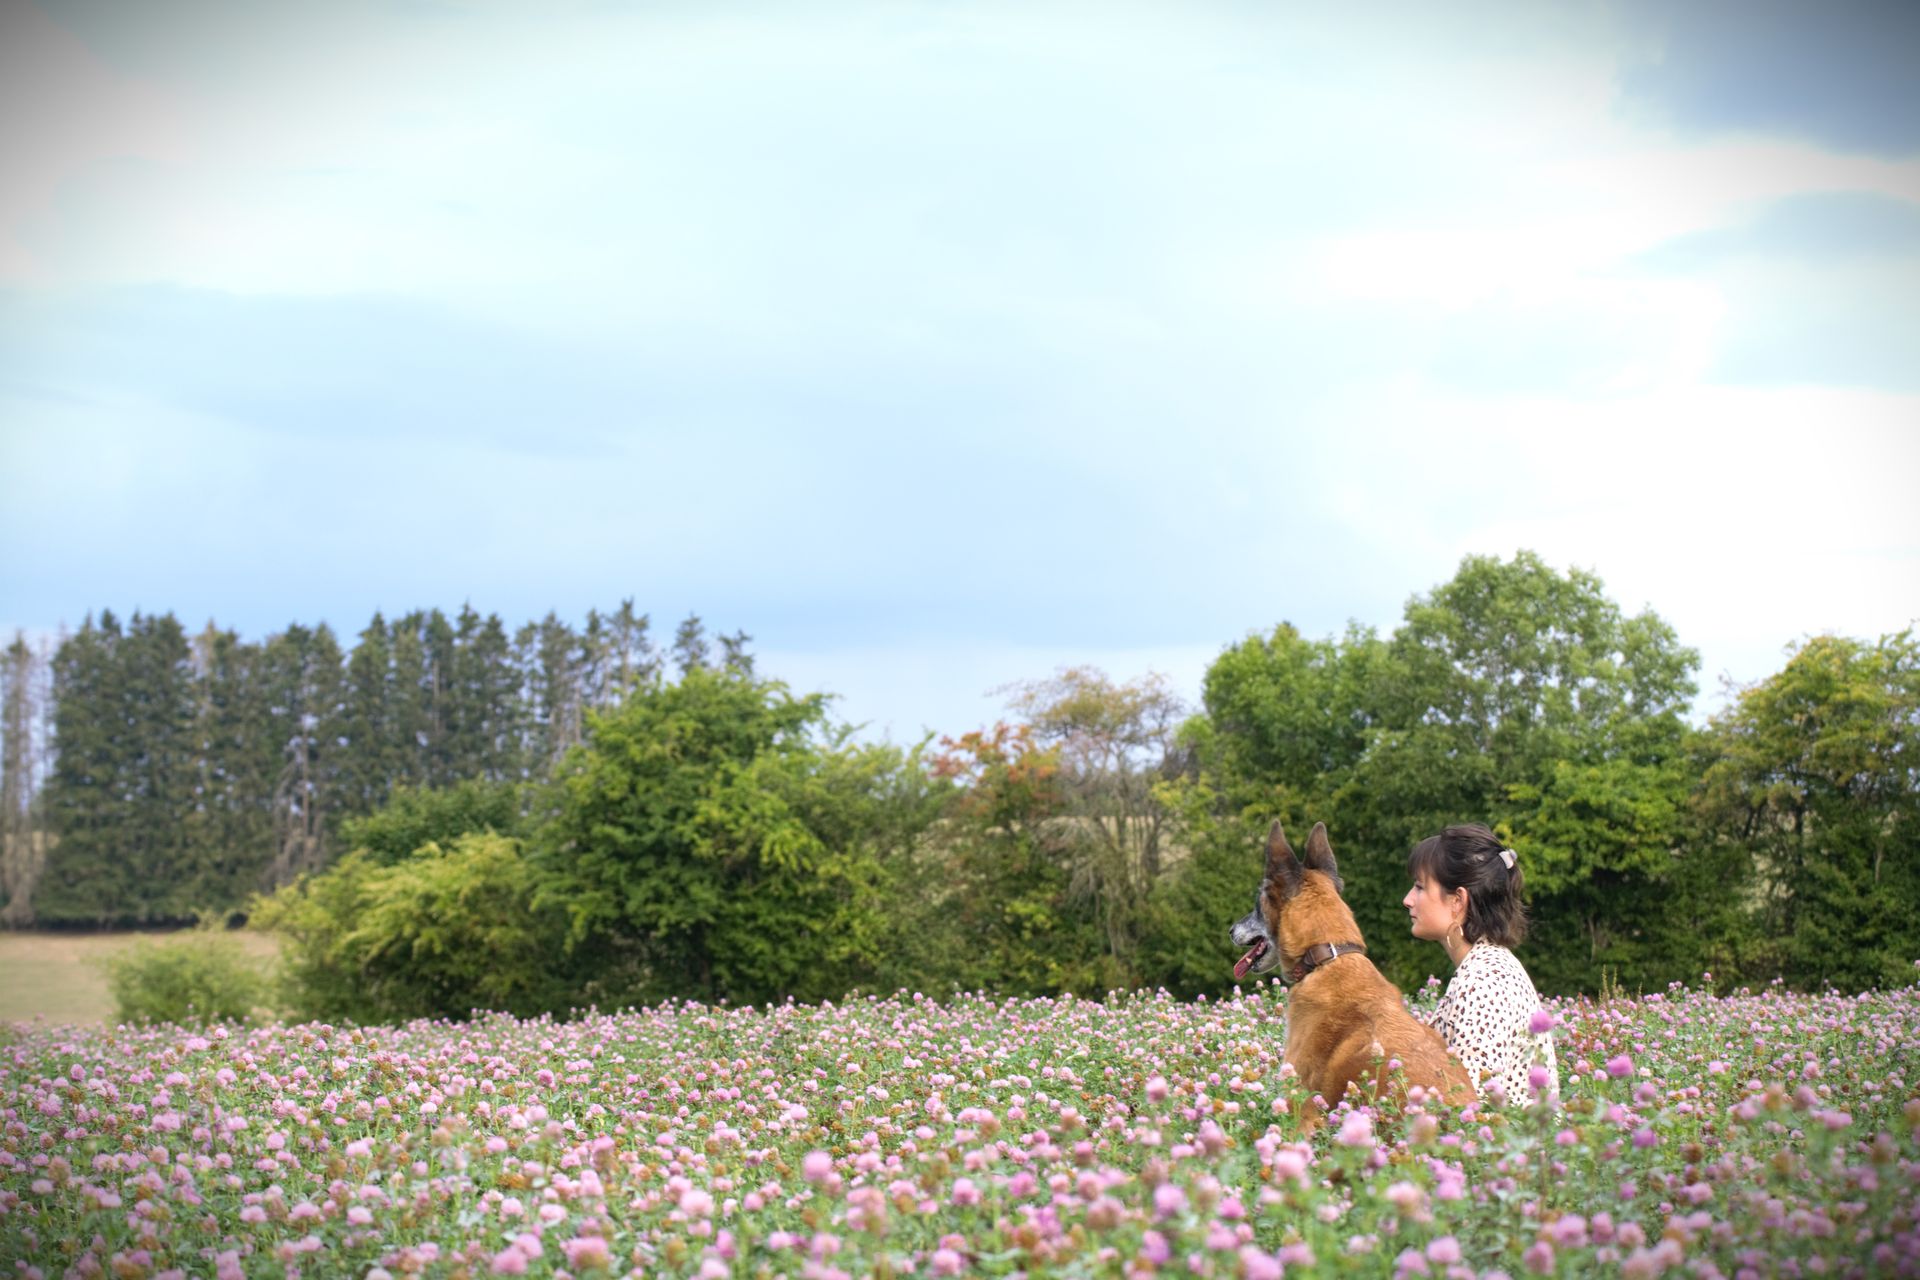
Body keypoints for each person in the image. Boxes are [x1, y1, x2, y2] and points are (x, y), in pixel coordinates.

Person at [1402, 823, 1558, 1103]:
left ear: (1458, 901)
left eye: (1419, 887)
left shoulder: (1483, 983)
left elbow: (1468, 1107)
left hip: (1507, 1145)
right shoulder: (1490, 966)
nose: (1408, 900)